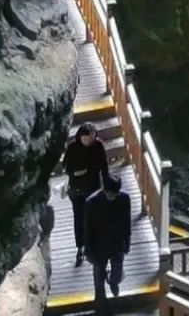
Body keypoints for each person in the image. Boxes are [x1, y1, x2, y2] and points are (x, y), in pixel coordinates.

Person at [84, 172, 131, 313]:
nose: (113, 197)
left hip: (117, 244)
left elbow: (127, 222)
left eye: (115, 194)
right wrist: (89, 252)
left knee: (117, 273)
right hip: (98, 245)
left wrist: (127, 242)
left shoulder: (124, 198)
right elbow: (87, 230)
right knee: (98, 280)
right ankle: (101, 306)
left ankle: (113, 281)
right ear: (104, 190)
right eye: (110, 194)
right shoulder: (91, 203)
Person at [63, 121, 108, 266]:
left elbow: (104, 167)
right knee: (79, 218)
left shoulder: (98, 146)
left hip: (93, 188)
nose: (90, 141)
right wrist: (76, 172)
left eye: (92, 138)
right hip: (76, 189)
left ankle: (95, 244)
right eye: (87, 138)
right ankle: (80, 247)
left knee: (95, 216)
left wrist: (107, 186)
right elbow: (66, 167)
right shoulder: (72, 148)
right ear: (80, 137)